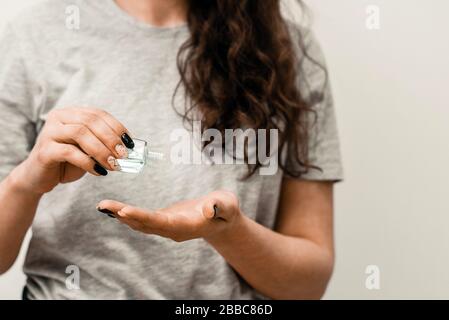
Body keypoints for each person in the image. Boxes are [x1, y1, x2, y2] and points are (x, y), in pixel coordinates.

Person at [0, 0, 343, 299]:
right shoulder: (33, 36)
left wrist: (228, 231)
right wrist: (26, 182)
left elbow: (307, 285)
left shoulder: (285, 50)